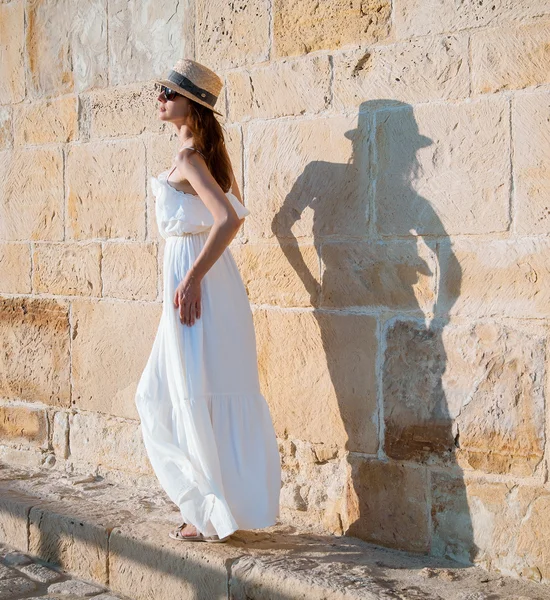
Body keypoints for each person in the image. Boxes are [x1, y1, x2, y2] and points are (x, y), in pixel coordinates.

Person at [135, 59, 281, 543]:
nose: (159, 97)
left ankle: (204, 513)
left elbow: (229, 218)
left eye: (167, 93)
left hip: (197, 286)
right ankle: (211, 506)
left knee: (179, 391)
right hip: (211, 286)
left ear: (190, 105)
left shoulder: (191, 158)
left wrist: (194, 277)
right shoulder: (205, 155)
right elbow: (235, 208)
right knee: (178, 388)